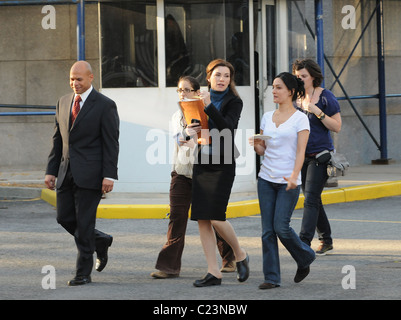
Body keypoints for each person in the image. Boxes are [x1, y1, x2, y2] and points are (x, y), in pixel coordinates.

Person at [150, 76, 235, 279]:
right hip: (181, 171)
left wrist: (196, 135)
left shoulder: (207, 113)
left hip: (204, 172)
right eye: (180, 90)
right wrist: (186, 133)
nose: (183, 94)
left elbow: (213, 140)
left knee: (211, 217)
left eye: (187, 90)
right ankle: (168, 266)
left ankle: (230, 257)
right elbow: (179, 141)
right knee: (177, 217)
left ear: (197, 92)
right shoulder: (176, 116)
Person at [45, 61, 119, 286]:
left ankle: (82, 272)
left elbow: (111, 143)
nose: (74, 83)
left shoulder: (105, 105)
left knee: (84, 223)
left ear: (90, 78)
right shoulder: (63, 102)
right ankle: (101, 241)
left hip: (92, 174)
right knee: (64, 218)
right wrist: (51, 171)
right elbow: (57, 140)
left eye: (79, 79)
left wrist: (109, 175)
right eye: (71, 79)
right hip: (66, 171)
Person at [249, 72, 315, 289]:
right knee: (267, 231)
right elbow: (262, 149)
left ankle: (305, 256)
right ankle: (271, 277)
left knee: (281, 227)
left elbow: (301, 152)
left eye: (278, 87)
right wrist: (257, 144)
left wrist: (295, 176)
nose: (274, 91)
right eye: (273, 87)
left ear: (290, 91)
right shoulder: (267, 117)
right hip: (266, 178)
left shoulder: (300, 118)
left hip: (288, 179)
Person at [191, 59, 249, 287]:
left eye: (226, 76)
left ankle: (240, 253)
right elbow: (194, 127)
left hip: (223, 163)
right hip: (202, 161)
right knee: (202, 220)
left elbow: (227, 127)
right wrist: (191, 129)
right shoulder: (198, 100)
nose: (222, 79)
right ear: (208, 78)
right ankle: (213, 272)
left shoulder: (235, 101)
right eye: (218, 75)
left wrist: (208, 106)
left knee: (216, 216)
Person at [292, 58, 342, 255]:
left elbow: (337, 127)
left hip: (320, 156)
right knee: (313, 198)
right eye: (297, 76)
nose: (300, 79)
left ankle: (303, 242)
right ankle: (326, 239)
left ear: (313, 77)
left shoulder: (325, 97)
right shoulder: (294, 98)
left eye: (303, 76)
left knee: (311, 199)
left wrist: (318, 112)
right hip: (301, 156)